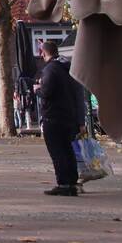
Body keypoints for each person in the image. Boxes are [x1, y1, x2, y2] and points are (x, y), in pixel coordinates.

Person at [35, 40, 85, 196]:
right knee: (68, 151)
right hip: (70, 117)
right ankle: (72, 183)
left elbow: (47, 92)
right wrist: (80, 120)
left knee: (57, 152)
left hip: (54, 117)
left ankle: (63, 184)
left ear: (43, 53)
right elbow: (78, 94)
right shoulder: (69, 68)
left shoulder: (50, 69)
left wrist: (37, 89)